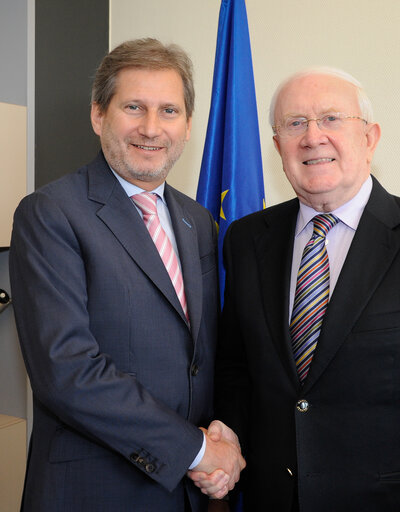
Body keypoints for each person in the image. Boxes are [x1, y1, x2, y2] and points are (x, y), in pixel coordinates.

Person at [206, 68, 400, 511]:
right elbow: (237, 366)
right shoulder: (246, 239)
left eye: (331, 118)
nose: (313, 137)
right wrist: (227, 433)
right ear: (277, 146)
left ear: (370, 138)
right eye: (295, 124)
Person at [9, 38, 244, 512]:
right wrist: (197, 451)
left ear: (189, 125)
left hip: (185, 494)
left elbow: (200, 357)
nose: (152, 128)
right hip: (96, 491)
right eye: (134, 107)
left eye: (169, 111)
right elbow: (67, 371)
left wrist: (224, 438)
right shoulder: (51, 213)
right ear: (99, 116)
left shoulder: (197, 222)